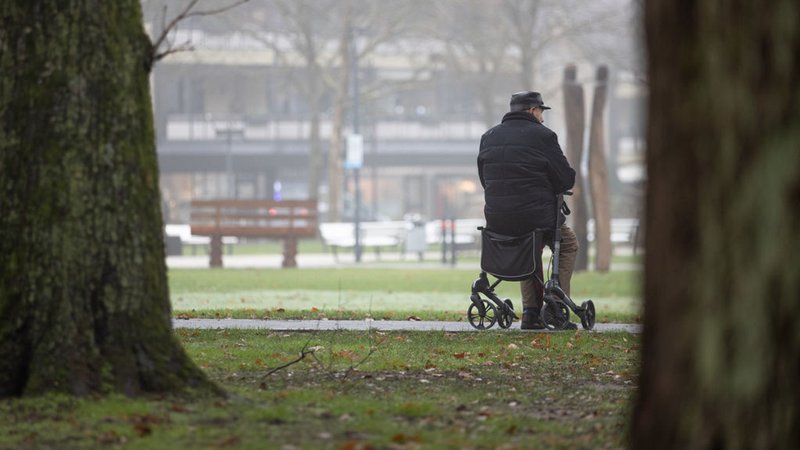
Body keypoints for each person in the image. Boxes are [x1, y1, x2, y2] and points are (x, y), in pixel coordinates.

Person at [477, 91, 579, 330]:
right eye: (541, 112)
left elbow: (484, 178)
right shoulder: (544, 136)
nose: (543, 118)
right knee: (568, 243)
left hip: (497, 217)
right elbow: (565, 179)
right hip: (536, 216)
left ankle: (531, 314)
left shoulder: (488, 136)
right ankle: (555, 303)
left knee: (527, 249)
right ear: (533, 110)